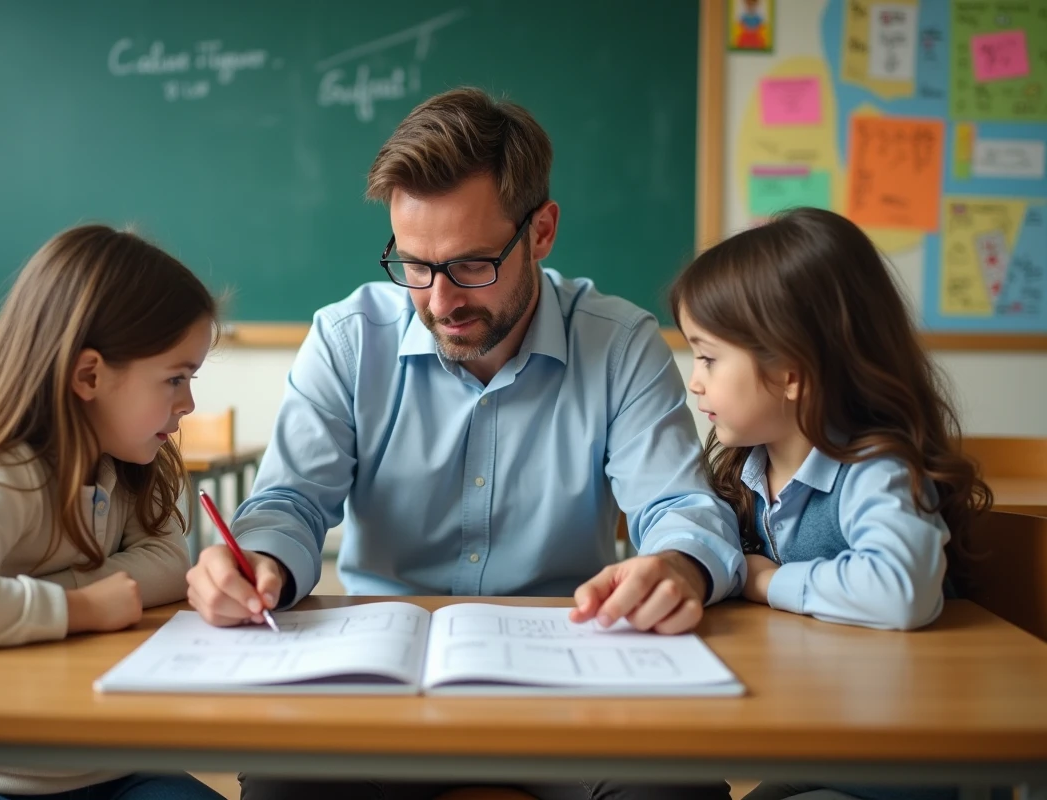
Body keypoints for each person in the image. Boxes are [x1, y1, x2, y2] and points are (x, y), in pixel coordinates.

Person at [186, 88, 743, 800]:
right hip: (380, 685)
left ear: (541, 232)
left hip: (570, 682)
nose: (440, 301)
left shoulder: (619, 342)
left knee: (675, 790)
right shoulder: (348, 340)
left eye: (472, 265)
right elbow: (290, 501)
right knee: (282, 785)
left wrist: (680, 567)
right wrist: (258, 561)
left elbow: (681, 508)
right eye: (414, 265)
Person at [670, 207, 991, 800]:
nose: (695, 380)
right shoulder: (747, 470)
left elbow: (900, 589)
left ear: (791, 370)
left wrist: (768, 582)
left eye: (709, 357)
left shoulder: (875, 470)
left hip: (895, 765)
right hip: (816, 740)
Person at [0, 224, 224, 800]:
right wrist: (81, 608)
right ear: (89, 376)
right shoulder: (6, 474)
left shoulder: (122, 469)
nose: (188, 402)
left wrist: (57, 586)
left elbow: (170, 564)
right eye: (176, 377)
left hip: (104, 767)